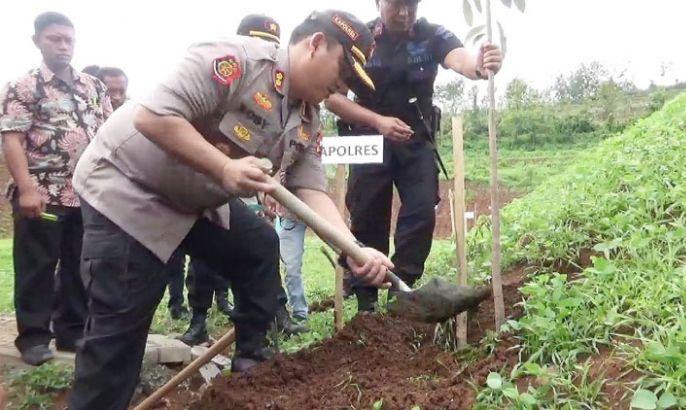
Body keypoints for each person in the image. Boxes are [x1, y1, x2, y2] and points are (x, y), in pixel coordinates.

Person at [68, 10, 391, 409]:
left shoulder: (308, 115)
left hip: (193, 201)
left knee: (257, 247)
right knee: (120, 334)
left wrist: (354, 249)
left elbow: (309, 188)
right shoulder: (236, 60)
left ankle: (251, 382)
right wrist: (223, 167)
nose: (343, 86)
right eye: (343, 71)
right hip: (128, 191)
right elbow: (152, 117)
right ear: (316, 44)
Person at [326, 0, 503, 312]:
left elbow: (461, 60)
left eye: (411, 5)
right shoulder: (360, 38)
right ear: (379, 3)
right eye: (396, 5)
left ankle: (402, 291)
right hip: (369, 138)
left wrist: (480, 64)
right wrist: (378, 122)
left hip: (416, 140)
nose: (404, 13)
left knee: (422, 210)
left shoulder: (432, 35)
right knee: (367, 214)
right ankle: (366, 301)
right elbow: (333, 100)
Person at [177, 13, 303, 347]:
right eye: (260, 41)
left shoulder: (283, 100)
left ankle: (271, 323)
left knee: (261, 249)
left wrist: (273, 188)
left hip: (249, 195)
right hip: (196, 191)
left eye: (273, 45)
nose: (267, 50)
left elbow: (285, 152)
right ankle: (198, 319)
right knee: (203, 263)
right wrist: (222, 168)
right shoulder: (227, 79)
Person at [0, 12, 112, 365]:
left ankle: (72, 332)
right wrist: (27, 189)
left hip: (86, 195)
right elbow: (12, 140)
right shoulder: (24, 86)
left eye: (68, 40)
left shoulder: (93, 86)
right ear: (37, 41)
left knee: (81, 265)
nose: (63, 46)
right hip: (43, 194)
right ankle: (33, 338)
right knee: (37, 265)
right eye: (55, 39)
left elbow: (109, 135)